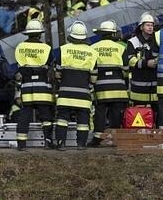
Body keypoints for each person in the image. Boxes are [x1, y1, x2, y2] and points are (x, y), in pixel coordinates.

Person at [54, 21, 98, 150]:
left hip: (65, 93)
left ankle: (61, 144)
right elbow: (94, 76)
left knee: (62, 119)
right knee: (83, 121)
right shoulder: (92, 52)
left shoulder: (64, 50)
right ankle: (81, 144)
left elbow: (58, 73)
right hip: (83, 93)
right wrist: (89, 85)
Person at [14, 19, 55, 151]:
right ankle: (48, 142)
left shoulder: (20, 47)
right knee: (46, 117)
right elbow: (49, 65)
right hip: (42, 87)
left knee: (24, 116)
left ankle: (21, 144)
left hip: (26, 88)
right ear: (39, 34)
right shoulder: (46, 48)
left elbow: (19, 67)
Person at [88, 20, 128, 147]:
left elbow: (91, 69)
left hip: (101, 86)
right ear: (113, 33)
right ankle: (114, 138)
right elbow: (127, 69)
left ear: (101, 33)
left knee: (100, 112)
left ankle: (98, 138)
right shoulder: (121, 48)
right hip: (118, 87)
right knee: (116, 113)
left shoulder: (93, 48)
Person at [123, 12, 158, 116]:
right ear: (141, 27)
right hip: (138, 87)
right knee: (139, 117)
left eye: (152, 25)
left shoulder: (157, 41)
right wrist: (146, 63)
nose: (150, 27)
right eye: (147, 25)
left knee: (157, 115)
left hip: (155, 87)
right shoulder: (132, 42)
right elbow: (130, 60)